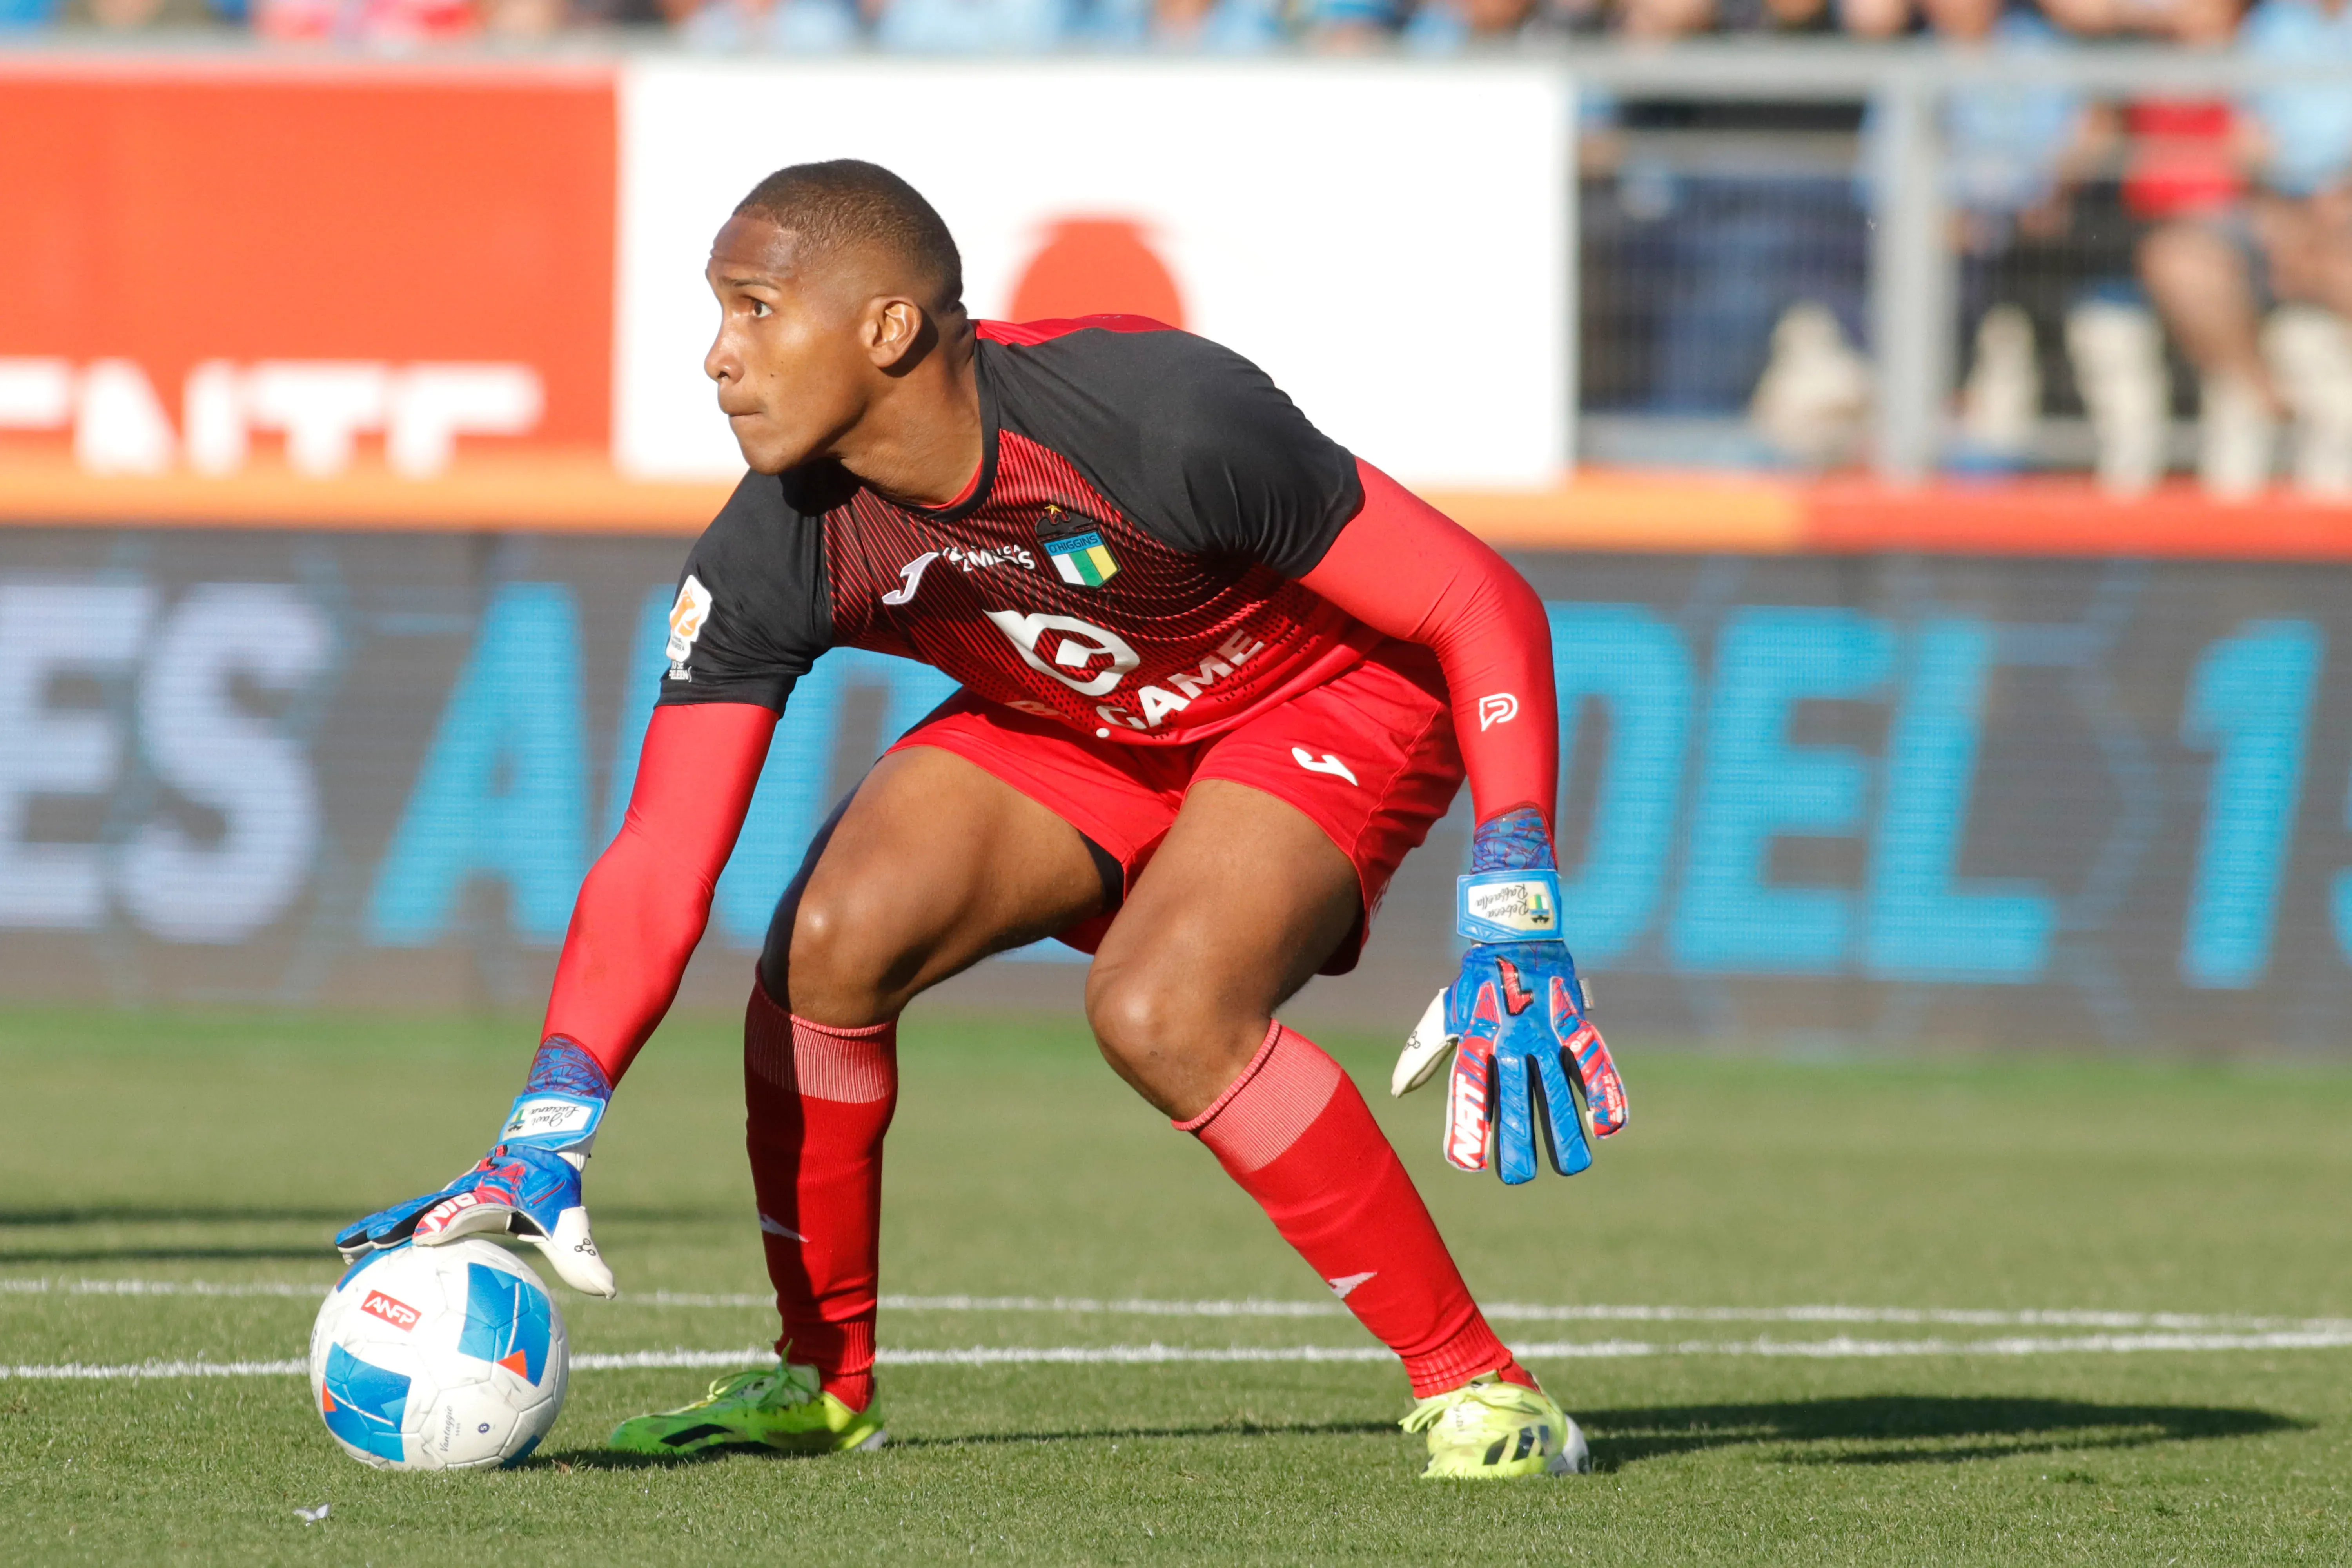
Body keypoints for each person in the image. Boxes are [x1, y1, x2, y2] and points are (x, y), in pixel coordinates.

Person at [334, 160, 1628, 1482]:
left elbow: (1479, 602)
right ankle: (822, 1384)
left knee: (1164, 1009)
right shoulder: (782, 539)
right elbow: (662, 853)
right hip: (1085, 715)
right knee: (830, 940)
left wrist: (1514, 888)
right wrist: (552, 1113)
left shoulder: (1156, 416)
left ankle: (1480, 1386)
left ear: (889, 329)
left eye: (755, 309)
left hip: (1327, 694)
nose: (719, 356)